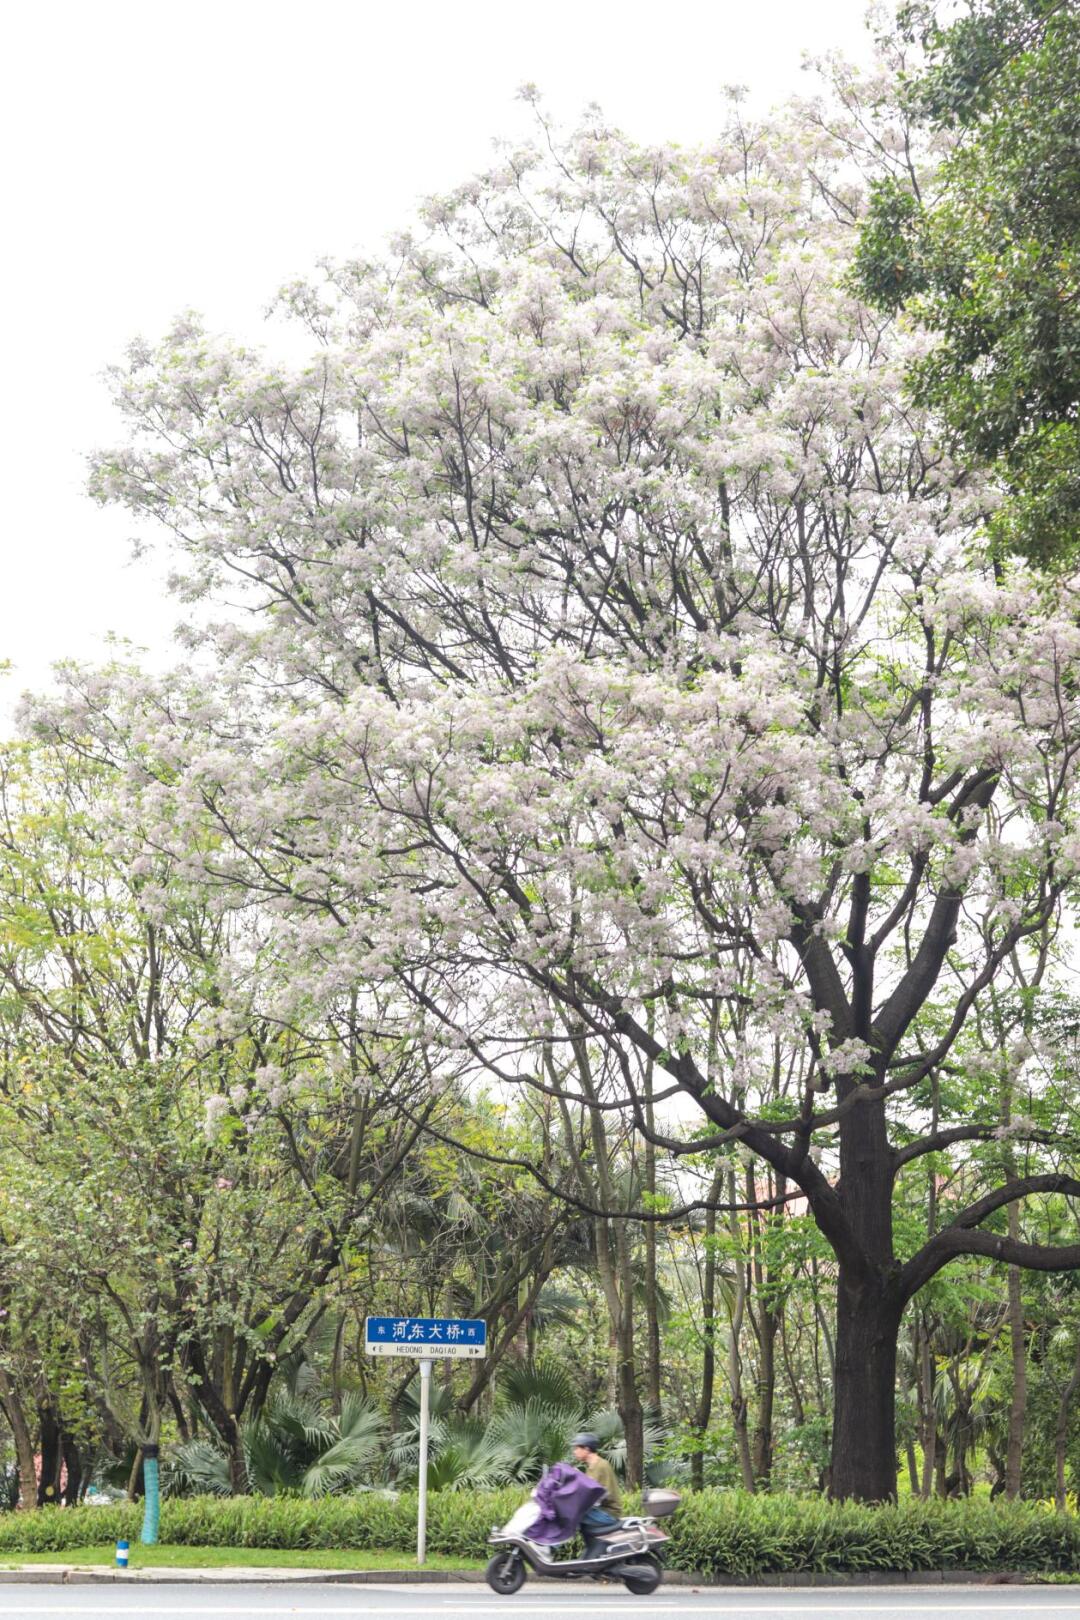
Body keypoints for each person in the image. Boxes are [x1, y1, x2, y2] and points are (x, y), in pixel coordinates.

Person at [571, 1432, 621, 1545]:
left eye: (577, 1448)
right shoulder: (591, 1467)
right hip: (599, 1511)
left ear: (587, 1449)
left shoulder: (602, 1465)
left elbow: (604, 1493)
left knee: (570, 1515)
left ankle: (550, 1548)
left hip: (608, 1513)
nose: (574, 1452)